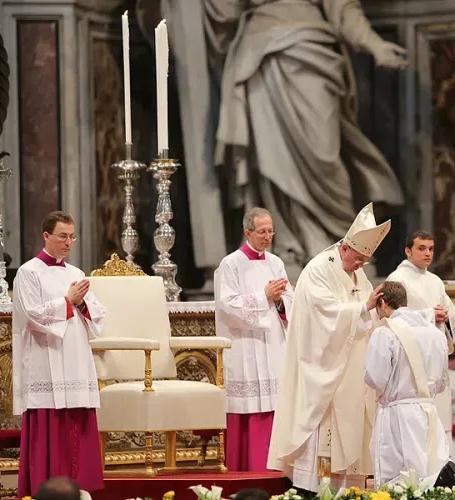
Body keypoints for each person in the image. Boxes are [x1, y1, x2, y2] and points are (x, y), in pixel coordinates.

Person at [136, 0, 407, 267]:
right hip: (258, 53)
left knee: (323, 156)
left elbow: (343, 7)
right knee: (270, 159)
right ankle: (284, 244)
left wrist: (374, 44)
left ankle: (336, 242)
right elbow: (223, 11)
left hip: (311, 49)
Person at [267, 202, 390, 492]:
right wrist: (363, 308)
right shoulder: (318, 270)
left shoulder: (357, 273)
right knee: (323, 429)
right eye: (358, 258)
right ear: (345, 248)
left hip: (351, 364)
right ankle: (314, 488)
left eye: (365, 261)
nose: (361, 265)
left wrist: (374, 313)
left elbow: (367, 309)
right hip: (324, 362)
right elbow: (324, 314)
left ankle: (347, 487)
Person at [12, 211, 106, 496]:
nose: (68, 242)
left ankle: (82, 490)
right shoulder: (28, 273)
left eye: (72, 237)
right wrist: (68, 302)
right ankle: (46, 491)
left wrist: (82, 306)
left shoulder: (76, 273)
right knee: (49, 425)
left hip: (75, 357)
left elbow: (97, 312)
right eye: (63, 236)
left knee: (78, 424)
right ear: (46, 236)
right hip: (45, 358)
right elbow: (31, 316)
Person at [214, 207, 293, 471]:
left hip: (272, 344)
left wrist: (280, 300)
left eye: (271, 231)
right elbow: (228, 305)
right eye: (262, 232)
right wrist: (264, 297)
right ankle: (248, 468)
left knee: (275, 403)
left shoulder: (276, 262)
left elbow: (290, 301)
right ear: (247, 232)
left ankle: (277, 467)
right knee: (249, 405)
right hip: (245, 344)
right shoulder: (231, 264)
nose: (267, 236)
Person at [364, 281, 449, 486]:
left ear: (383, 303)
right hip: (428, 413)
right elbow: (442, 382)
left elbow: (375, 378)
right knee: (429, 478)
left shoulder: (385, 333)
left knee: (396, 482)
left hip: (396, 416)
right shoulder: (436, 334)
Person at [386, 230, 455, 449]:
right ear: (407, 251)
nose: (427, 253)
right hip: (413, 359)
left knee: (440, 419)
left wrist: (445, 316)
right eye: (421, 248)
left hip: (436, 357)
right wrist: (430, 315)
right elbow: (392, 317)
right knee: (419, 423)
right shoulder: (397, 279)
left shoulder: (435, 281)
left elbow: (452, 314)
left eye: (430, 248)